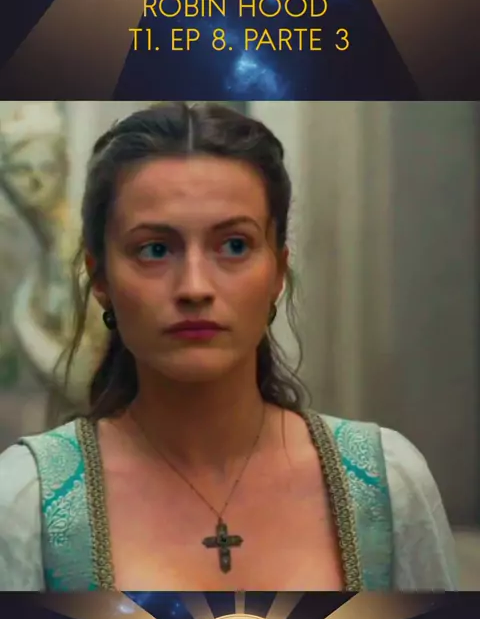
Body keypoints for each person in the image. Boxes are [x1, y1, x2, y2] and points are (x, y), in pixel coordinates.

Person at [0, 102, 457, 592]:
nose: (195, 287)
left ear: (277, 271)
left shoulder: (386, 485)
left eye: (234, 245)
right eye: (155, 249)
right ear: (101, 279)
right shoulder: (28, 501)